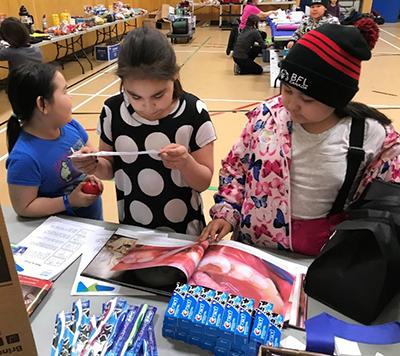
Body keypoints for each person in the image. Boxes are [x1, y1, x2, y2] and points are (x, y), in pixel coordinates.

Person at [199, 19, 400, 256]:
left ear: (338, 99)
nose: (292, 105)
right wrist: (227, 212)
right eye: (287, 90)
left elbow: (384, 205)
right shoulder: (267, 117)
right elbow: (235, 168)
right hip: (252, 250)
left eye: (308, 100)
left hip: (321, 259)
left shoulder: (371, 138)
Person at [72, 27, 216, 235]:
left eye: (158, 95)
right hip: (131, 228)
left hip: (184, 232)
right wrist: (93, 164)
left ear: (175, 74)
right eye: (135, 97)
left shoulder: (194, 112)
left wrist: (186, 163)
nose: (148, 107)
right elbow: (108, 169)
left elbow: (203, 183)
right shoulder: (112, 111)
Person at [6, 63, 103, 220]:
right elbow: (24, 207)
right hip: (62, 234)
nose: (70, 96)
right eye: (65, 91)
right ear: (42, 104)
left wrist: (91, 170)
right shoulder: (24, 157)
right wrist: (68, 201)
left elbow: (91, 153)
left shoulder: (71, 125)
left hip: (92, 224)